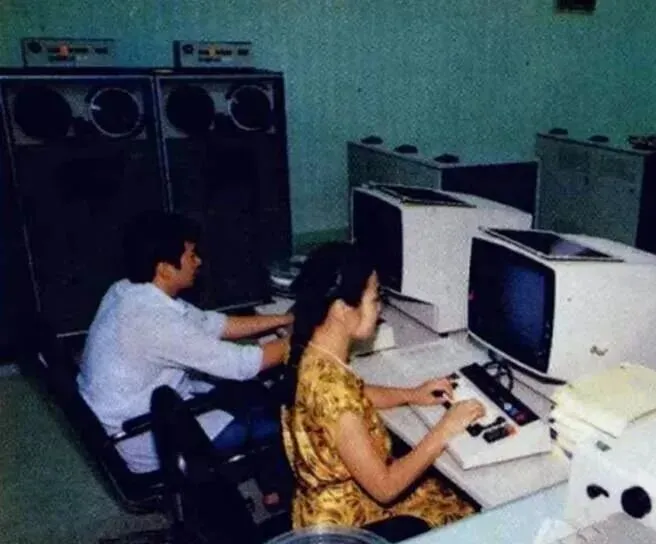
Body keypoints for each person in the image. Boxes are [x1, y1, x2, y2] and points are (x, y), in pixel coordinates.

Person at [77, 210, 294, 509]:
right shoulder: (154, 322)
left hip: (134, 410)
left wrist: (285, 319)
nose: (198, 261)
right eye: (191, 255)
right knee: (273, 420)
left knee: (255, 392)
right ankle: (275, 493)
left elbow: (213, 324)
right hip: (143, 434)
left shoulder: (127, 290)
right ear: (165, 268)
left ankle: (272, 489)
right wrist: (312, 334)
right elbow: (243, 364)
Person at [281, 242, 485, 530]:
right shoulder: (333, 390)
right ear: (342, 309)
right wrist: (445, 429)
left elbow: (355, 394)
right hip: (350, 521)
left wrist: (411, 394)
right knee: (468, 514)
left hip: (319, 507)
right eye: (375, 299)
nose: (379, 310)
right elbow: (385, 487)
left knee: (441, 490)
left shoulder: (309, 350)